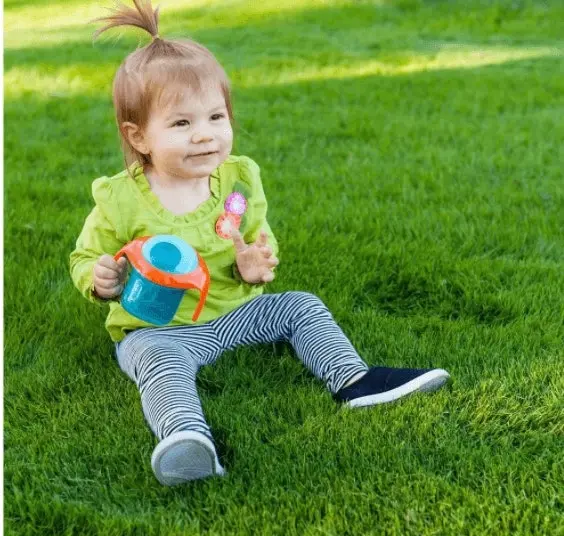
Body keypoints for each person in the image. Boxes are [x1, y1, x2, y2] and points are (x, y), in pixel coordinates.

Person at [69, 0, 450, 486]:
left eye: (215, 117)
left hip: (233, 314)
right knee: (158, 363)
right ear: (138, 136)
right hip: (159, 328)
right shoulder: (120, 199)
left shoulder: (238, 179)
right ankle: (186, 439)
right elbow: (85, 257)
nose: (205, 136)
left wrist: (256, 264)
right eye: (181, 124)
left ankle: (355, 380)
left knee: (300, 306)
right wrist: (100, 278)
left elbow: (257, 239)